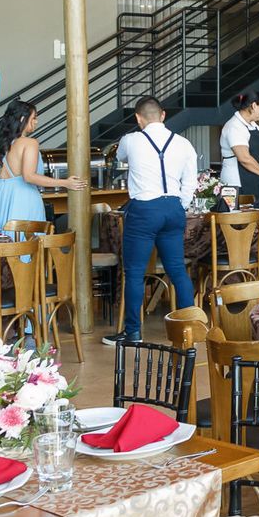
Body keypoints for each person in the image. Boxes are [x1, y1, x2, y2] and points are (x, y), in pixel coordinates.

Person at [111, 96, 199, 344]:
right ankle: (188, 329)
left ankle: (133, 332)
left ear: (138, 119)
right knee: (177, 270)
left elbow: (120, 157)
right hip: (173, 208)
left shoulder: (131, 140)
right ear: (163, 116)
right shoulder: (184, 144)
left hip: (143, 210)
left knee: (136, 272)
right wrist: (179, 204)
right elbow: (189, 181)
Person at [0, 98, 78, 229]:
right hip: (23, 198)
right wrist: (65, 183)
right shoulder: (29, 143)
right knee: (26, 243)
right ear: (22, 119)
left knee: (0, 243)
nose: (36, 122)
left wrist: (7, 183)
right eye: (34, 118)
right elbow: (29, 176)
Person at [218, 91, 259, 203]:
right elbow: (244, 158)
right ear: (253, 106)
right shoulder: (234, 126)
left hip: (258, 180)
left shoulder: (255, 126)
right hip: (238, 183)